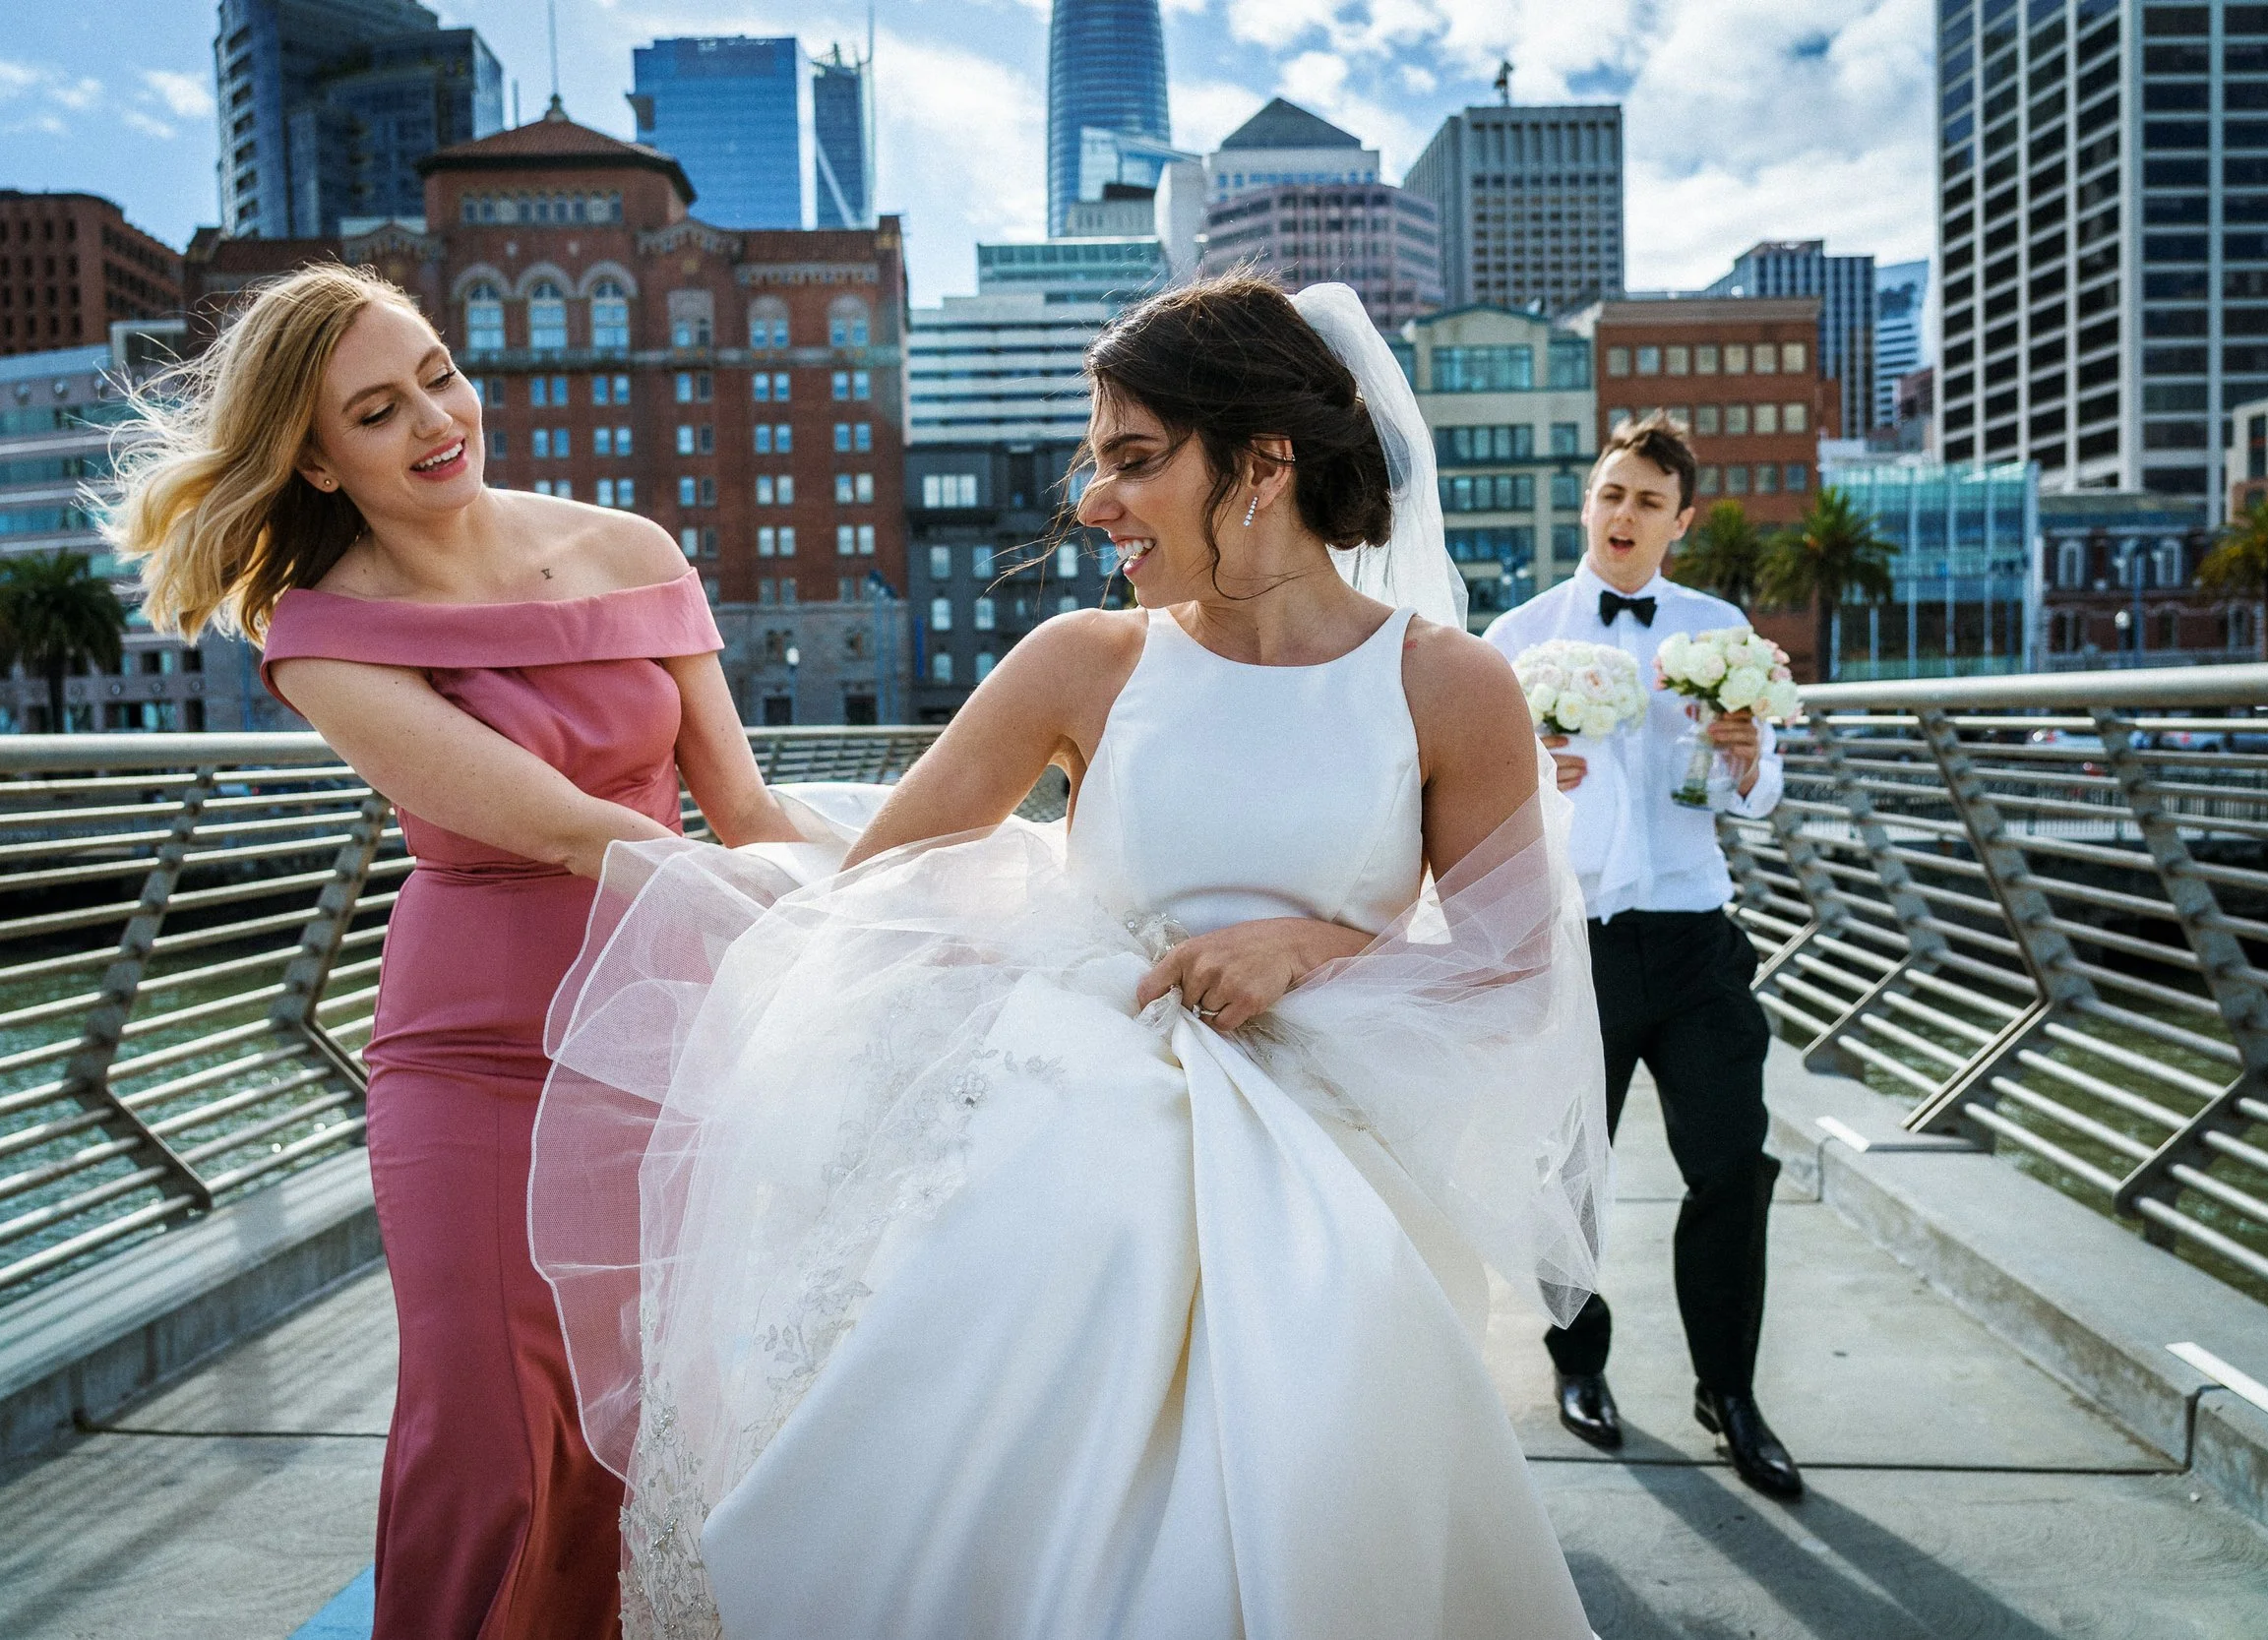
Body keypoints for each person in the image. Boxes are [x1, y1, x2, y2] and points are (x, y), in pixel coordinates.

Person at [530, 278, 1611, 1639]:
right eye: (1096, 458)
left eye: (1135, 458)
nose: (1092, 499)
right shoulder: (1082, 660)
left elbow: (1512, 980)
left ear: (1264, 464)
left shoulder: (1450, 685)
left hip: (1331, 1182)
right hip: (1065, 1153)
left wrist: (1313, 949)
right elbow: (876, 890)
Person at [106, 263, 800, 1639]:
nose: (437, 418)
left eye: (438, 372)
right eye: (378, 409)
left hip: (667, 1031)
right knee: (489, 1420)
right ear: (312, 455)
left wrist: (927, 907)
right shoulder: (320, 634)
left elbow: (749, 809)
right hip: (477, 1054)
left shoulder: (634, 548)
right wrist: (771, 907)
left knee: (647, 1418)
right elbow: (561, 828)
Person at [1482, 411, 1801, 1500]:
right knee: (1567, 1175)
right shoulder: (1515, 637)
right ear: (1588, 501)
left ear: (1681, 519)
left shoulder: (1719, 629)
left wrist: (1747, 757)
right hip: (1577, 943)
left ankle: (1731, 1391)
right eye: (1612, 493)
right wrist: (1540, 781)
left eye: (1648, 500)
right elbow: (1464, 808)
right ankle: (1580, 1363)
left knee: (1731, 1165)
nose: (1625, 514)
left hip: (1697, 934)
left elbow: (1756, 801)